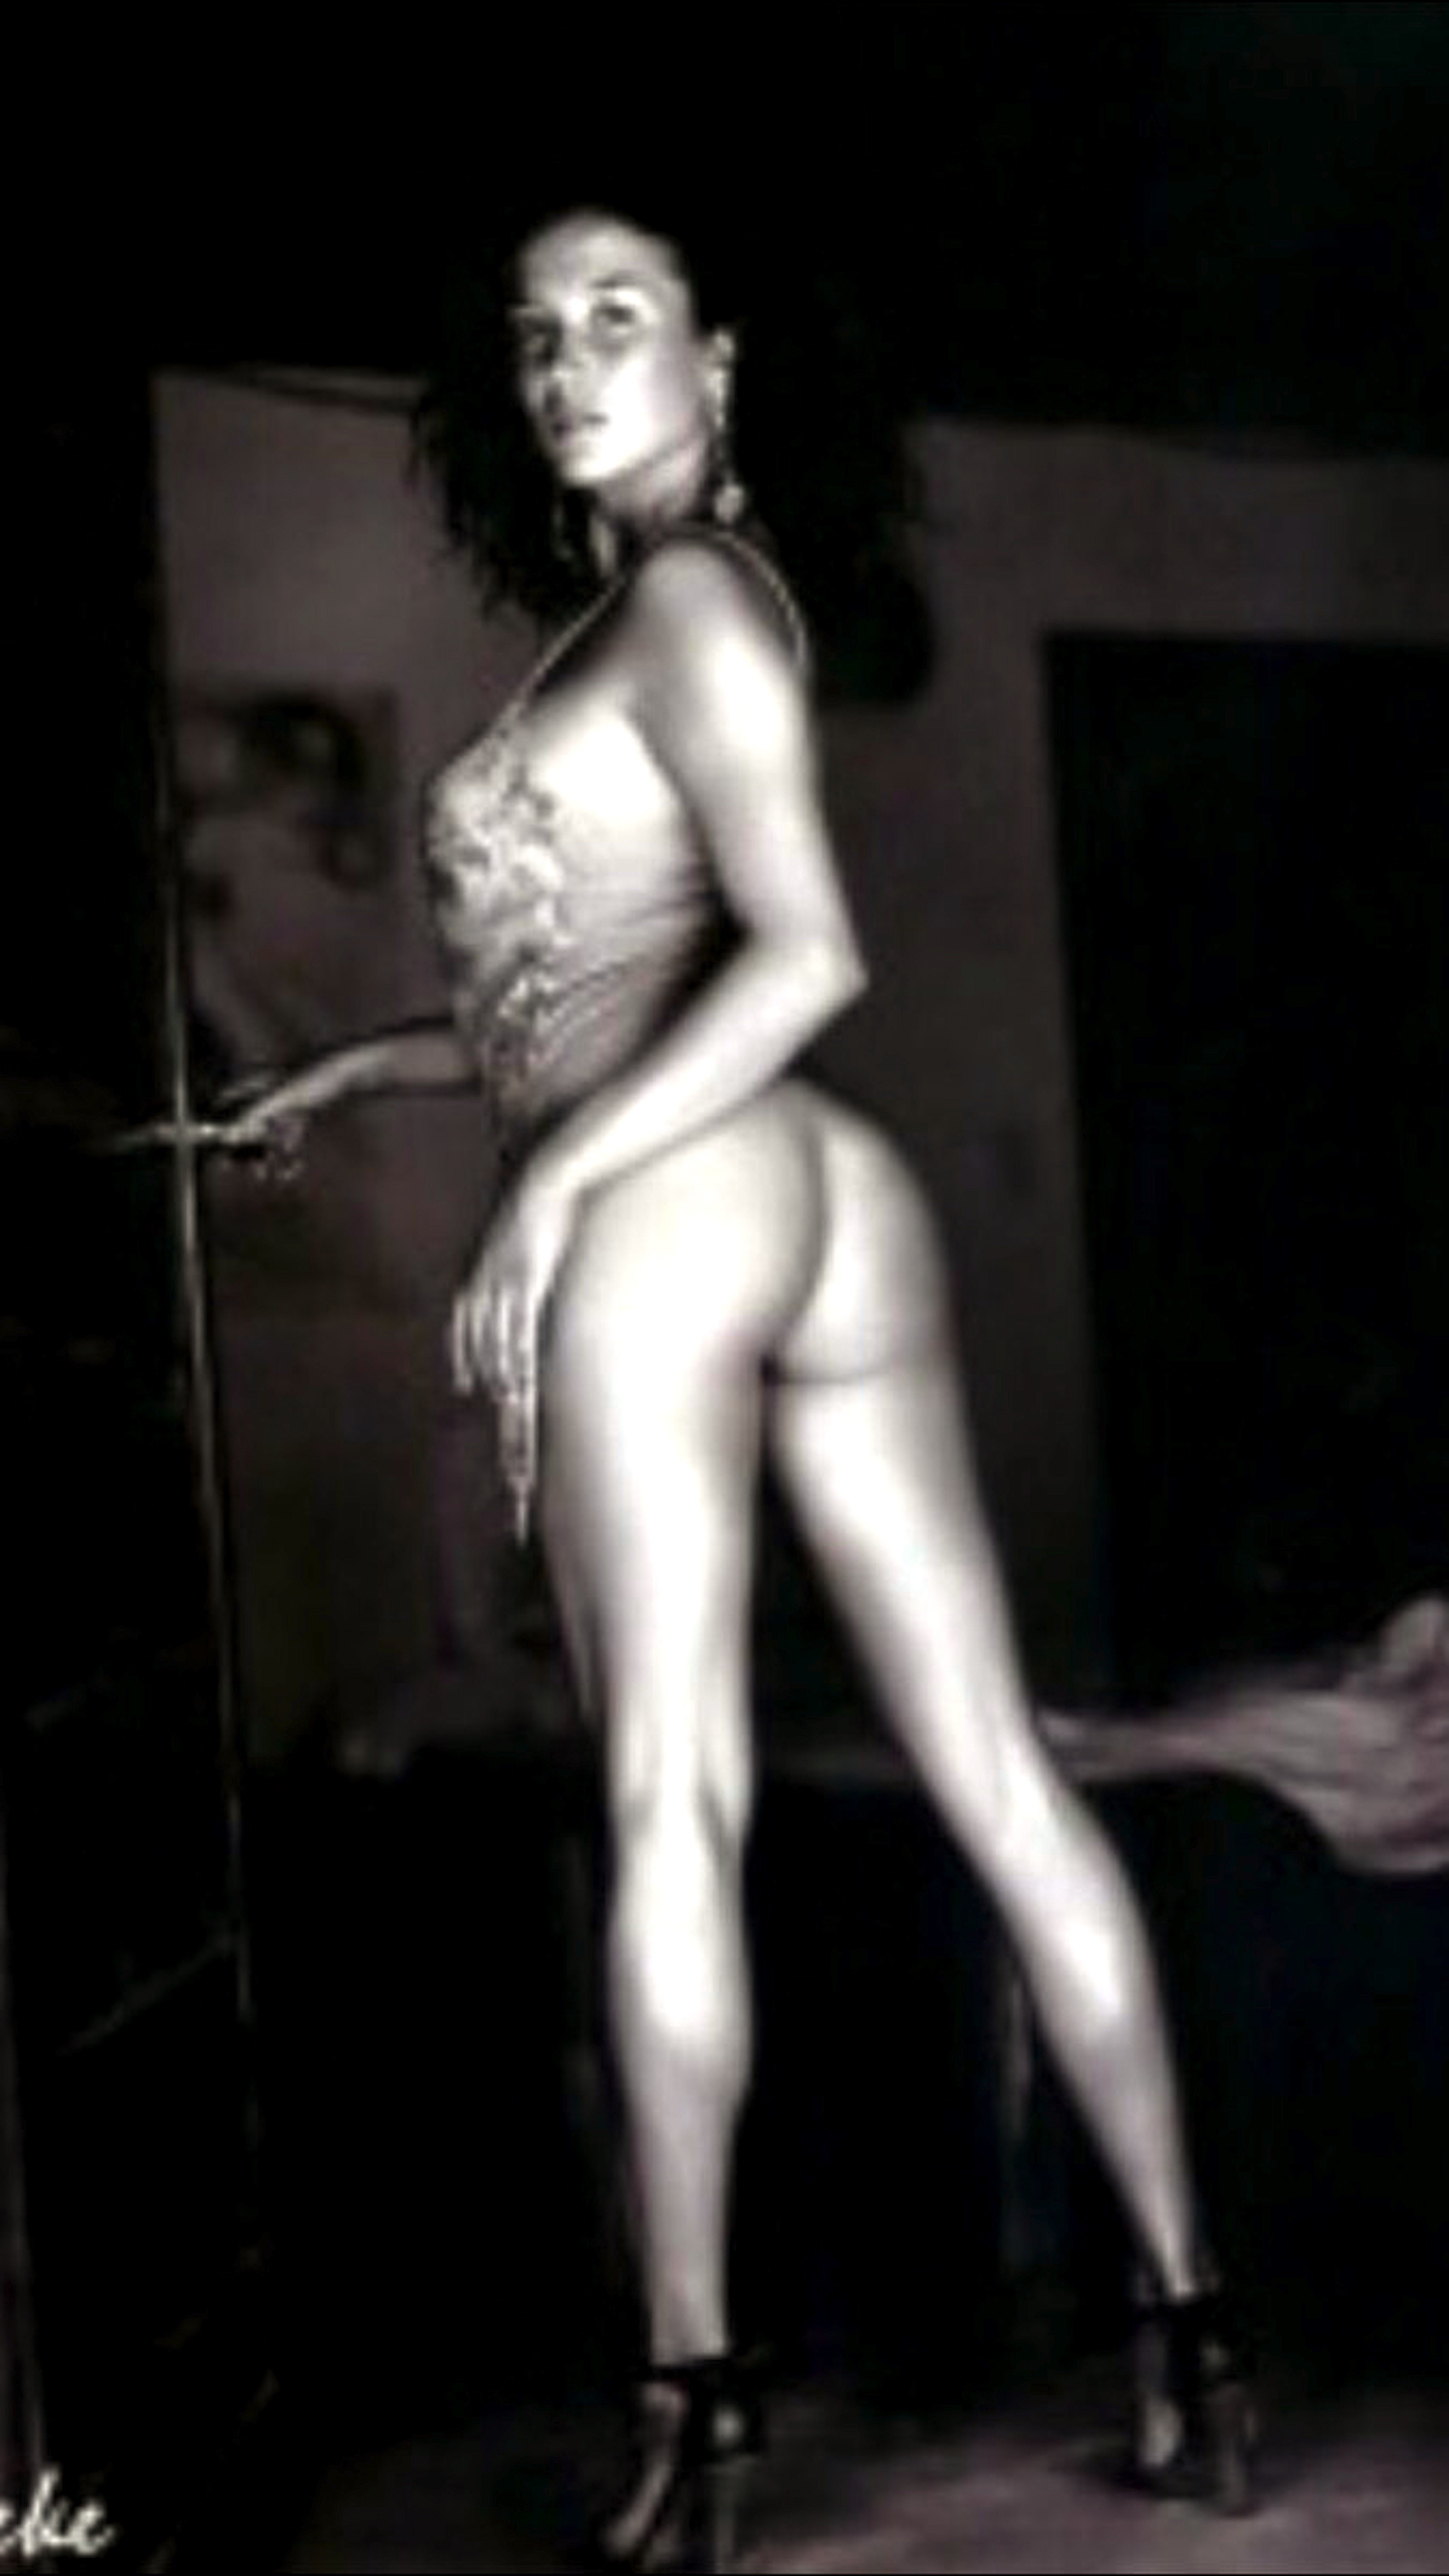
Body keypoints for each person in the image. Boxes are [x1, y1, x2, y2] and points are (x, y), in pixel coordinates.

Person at [225, 196, 1255, 2567]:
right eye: (535, 332)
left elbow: (803, 953)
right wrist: (368, 1073)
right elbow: (573, 1010)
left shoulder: (691, 600)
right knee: (990, 1772)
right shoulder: (643, 617)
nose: (569, 359)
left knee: (668, 1799)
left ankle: (694, 2409)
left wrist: (554, 1199)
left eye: (621, 316)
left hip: (691, 1187)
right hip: (815, 1192)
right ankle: (1190, 2326)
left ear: (720, 359)